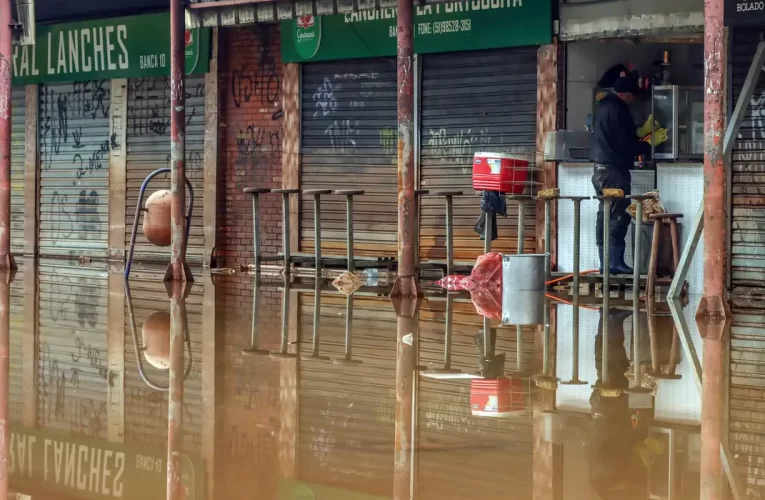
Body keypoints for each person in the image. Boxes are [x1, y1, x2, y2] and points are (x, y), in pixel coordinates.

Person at [590, 75, 667, 274]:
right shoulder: (618, 108)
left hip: (600, 170)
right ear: (625, 94)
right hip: (614, 171)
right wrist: (645, 144)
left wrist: (640, 132)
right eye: (632, 96)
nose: (633, 100)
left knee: (605, 214)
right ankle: (613, 263)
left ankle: (606, 263)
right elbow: (624, 142)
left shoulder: (605, 106)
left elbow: (618, 135)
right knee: (617, 215)